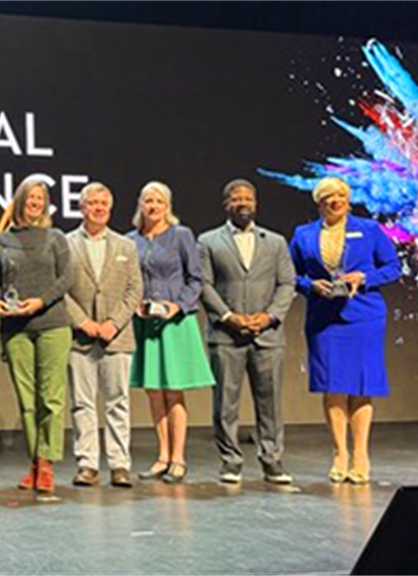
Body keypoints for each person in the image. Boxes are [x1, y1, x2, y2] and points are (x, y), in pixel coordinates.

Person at [290, 177, 400, 484]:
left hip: (364, 317)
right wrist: (310, 285)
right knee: (333, 385)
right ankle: (340, 452)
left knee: (362, 386)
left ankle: (361, 454)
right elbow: (290, 274)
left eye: (340, 195)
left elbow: (393, 267)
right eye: (328, 196)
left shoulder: (369, 229)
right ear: (319, 202)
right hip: (325, 319)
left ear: (348, 200)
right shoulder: (303, 234)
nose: (335, 200)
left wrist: (364, 278)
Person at [199, 179, 296, 485]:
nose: (243, 203)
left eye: (248, 198)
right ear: (226, 204)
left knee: (271, 404)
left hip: (267, 336)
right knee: (225, 404)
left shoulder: (275, 242)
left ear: (256, 203)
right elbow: (204, 284)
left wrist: (269, 316)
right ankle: (230, 462)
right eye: (236, 198)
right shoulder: (208, 241)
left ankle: (272, 461)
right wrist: (229, 317)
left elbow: (287, 283)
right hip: (226, 335)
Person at [0, 177, 74, 494]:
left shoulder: (56, 237)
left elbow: (67, 278)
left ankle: (46, 463)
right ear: (20, 201)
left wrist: (41, 301)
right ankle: (35, 462)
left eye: (41, 198)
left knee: (51, 397)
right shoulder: (2, 241)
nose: (36, 202)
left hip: (52, 324)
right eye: (31, 197)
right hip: (15, 328)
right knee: (27, 399)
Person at [128, 181, 214, 484]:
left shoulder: (181, 235)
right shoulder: (130, 240)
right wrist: (135, 305)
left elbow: (196, 279)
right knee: (154, 391)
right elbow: (130, 281)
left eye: (159, 201)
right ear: (140, 205)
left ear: (168, 206)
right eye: (148, 201)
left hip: (176, 323)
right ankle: (162, 456)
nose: (153, 206)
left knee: (174, 390)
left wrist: (178, 306)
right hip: (145, 324)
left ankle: (178, 458)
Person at [64, 182, 143, 489]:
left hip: (117, 337)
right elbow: (61, 290)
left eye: (103, 204)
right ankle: (87, 465)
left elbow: (134, 290)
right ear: (81, 207)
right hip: (80, 338)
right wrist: (82, 321)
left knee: (118, 402)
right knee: (82, 404)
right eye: (92, 203)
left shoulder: (126, 246)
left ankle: (120, 465)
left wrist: (113, 322)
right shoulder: (66, 243)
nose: (98, 208)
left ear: (110, 209)